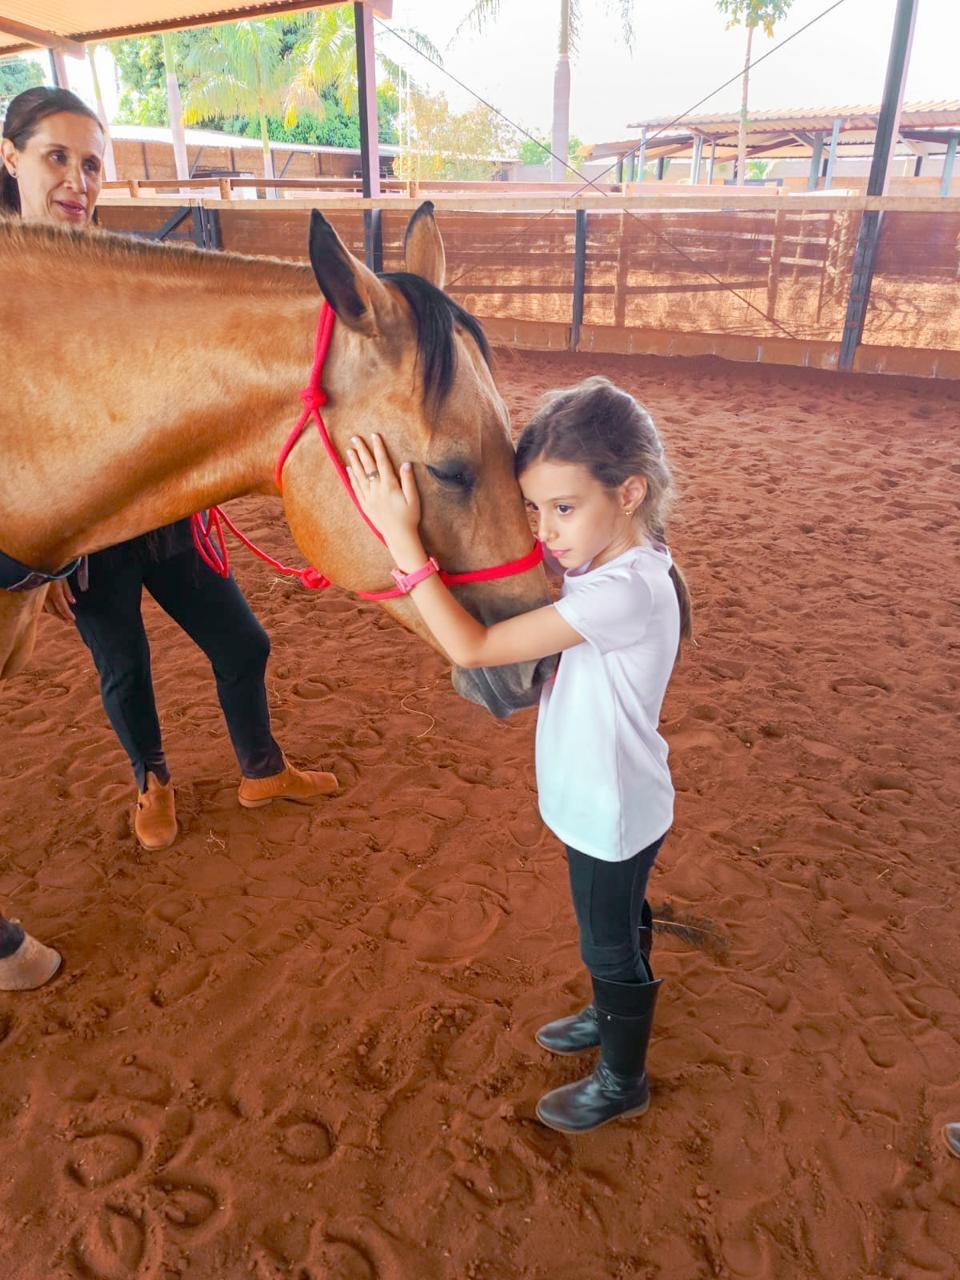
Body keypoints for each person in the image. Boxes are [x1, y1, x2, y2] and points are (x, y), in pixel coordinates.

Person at [1, 88, 335, 888]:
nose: (78, 181)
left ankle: (260, 768)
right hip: (84, 537)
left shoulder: (125, 279)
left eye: (90, 164)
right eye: (57, 157)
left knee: (243, 643)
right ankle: (151, 782)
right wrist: (37, 556)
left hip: (172, 517)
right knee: (125, 667)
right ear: (9, 158)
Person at [344, 376, 691, 1134]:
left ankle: (621, 1077)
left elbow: (471, 645)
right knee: (618, 918)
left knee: (608, 940)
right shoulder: (613, 566)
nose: (546, 532)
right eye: (535, 510)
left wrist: (402, 538)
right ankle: (609, 1009)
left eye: (564, 509)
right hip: (611, 800)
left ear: (630, 492)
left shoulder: (616, 593)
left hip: (611, 810)